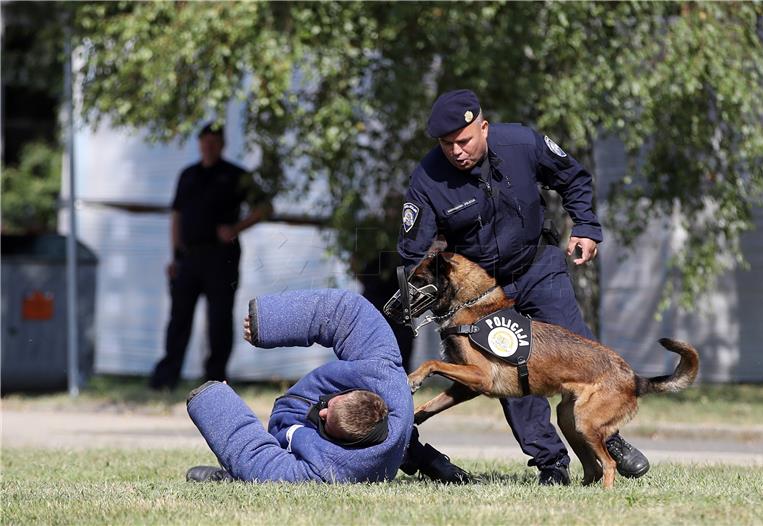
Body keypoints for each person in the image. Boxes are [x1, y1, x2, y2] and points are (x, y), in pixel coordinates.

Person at [396, 89, 650, 485]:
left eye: (463, 141)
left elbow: (573, 177)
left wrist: (585, 225)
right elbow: (414, 251)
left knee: (579, 350)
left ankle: (607, 438)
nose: (456, 151)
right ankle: (551, 464)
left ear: (483, 127)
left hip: (537, 265)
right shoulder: (428, 178)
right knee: (511, 369)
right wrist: (423, 279)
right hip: (484, 293)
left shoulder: (522, 143)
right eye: (447, 145)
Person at [185, 288, 414, 483]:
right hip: (299, 412)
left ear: (348, 443)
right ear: (354, 392)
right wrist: (269, 320)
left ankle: (232, 476)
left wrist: (216, 403)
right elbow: (346, 312)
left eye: (326, 421)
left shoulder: (335, 468)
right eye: (331, 406)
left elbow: (261, 466)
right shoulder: (382, 372)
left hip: (293, 442)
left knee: (257, 475)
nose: (322, 411)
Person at [149, 123, 265, 390]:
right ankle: (167, 378)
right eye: (205, 142)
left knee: (219, 320)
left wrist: (235, 229)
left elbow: (264, 206)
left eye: (214, 142)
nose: (209, 147)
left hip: (220, 257)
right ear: (199, 144)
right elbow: (177, 216)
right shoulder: (188, 175)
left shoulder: (235, 175)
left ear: (222, 145)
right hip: (189, 257)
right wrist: (175, 255)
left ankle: (215, 379)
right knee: (179, 318)